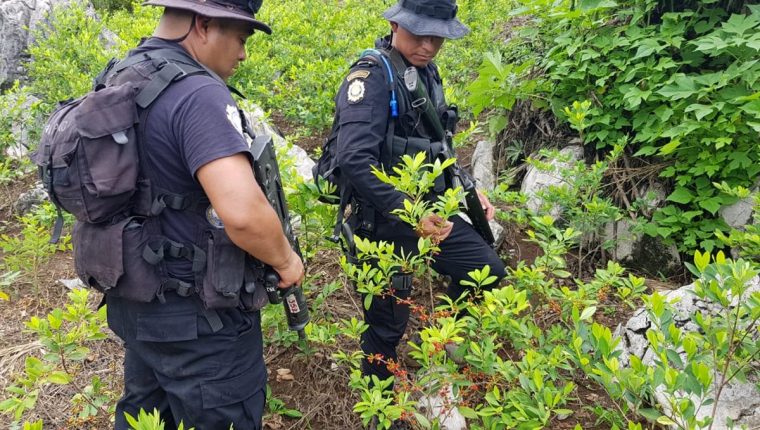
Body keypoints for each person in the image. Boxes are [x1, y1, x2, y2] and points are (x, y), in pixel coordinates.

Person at [84, 1, 304, 428]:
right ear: (203, 25)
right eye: (241, 38)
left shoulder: (123, 74)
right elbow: (241, 213)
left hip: (138, 305)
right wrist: (286, 260)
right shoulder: (197, 92)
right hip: (201, 323)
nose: (242, 54)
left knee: (147, 416)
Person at [332, 0, 507, 394]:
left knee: (487, 270)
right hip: (383, 220)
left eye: (437, 38)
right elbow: (354, 160)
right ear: (395, 24)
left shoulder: (427, 73)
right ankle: (379, 405)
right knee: (387, 324)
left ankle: (438, 344)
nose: (427, 45)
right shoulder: (371, 77)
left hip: (430, 214)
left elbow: (438, 145)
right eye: (418, 34)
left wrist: (467, 189)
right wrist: (411, 214)